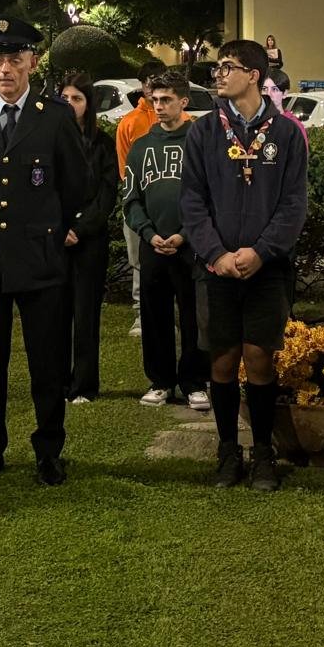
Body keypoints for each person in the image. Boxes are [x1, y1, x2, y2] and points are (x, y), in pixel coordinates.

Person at [0, 15, 91, 486]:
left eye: (15, 59)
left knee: (47, 363)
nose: (5, 68)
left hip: (39, 258)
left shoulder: (54, 116)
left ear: (32, 62)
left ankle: (49, 451)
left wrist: (49, 227)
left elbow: (76, 184)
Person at [180, 39, 309, 493]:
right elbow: (191, 200)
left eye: (228, 67)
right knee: (222, 359)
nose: (219, 75)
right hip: (215, 268)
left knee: (258, 357)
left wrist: (262, 250)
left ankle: (263, 452)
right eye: (217, 68)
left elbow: (294, 203)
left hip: (266, 268)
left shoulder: (287, 133)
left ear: (254, 75)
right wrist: (216, 254)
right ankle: (227, 450)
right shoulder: (204, 131)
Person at [124, 71, 209, 411]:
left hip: (191, 246)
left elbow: (209, 197)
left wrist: (184, 234)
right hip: (154, 244)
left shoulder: (199, 144)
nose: (158, 106)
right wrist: (149, 233)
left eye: (166, 100)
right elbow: (131, 199)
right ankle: (160, 381)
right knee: (154, 315)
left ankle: (194, 382)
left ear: (183, 101)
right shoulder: (141, 147)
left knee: (192, 315)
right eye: (155, 100)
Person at [59, 72, 118, 405]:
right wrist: (60, 227)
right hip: (56, 238)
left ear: (88, 104)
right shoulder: (50, 140)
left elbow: (107, 195)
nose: (70, 105)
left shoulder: (103, 144)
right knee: (55, 313)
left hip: (90, 241)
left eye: (77, 99)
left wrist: (79, 229)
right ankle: (58, 382)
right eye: (65, 98)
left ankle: (83, 384)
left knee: (85, 314)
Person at [115, 75, 160, 337]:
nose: (152, 88)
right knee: (138, 259)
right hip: (138, 202)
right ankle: (141, 313)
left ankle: (170, 313)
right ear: (142, 85)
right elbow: (124, 169)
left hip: (168, 206)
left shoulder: (186, 122)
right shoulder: (129, 122)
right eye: (148, 82)